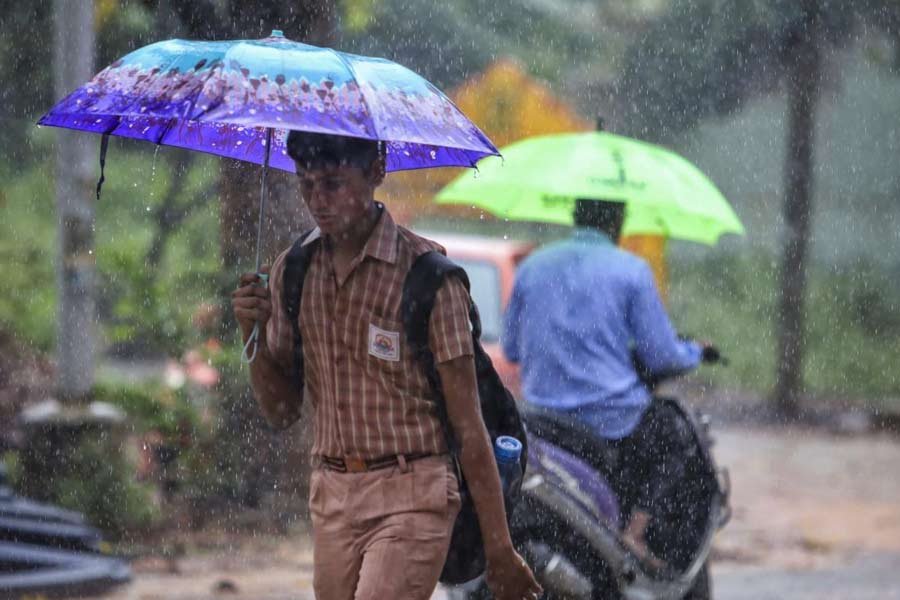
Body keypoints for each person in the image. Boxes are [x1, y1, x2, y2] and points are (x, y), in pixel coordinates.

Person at [231, 130, 541, 600]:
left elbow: (470, 427)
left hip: (415, 492)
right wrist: (249, 329)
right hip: (332, 495)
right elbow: (281, 411)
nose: (318, 201)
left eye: (333, 183)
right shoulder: (292, 272)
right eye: (306, 184)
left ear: (377, 171)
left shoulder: (430, 280)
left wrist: (500, 549)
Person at [502, 198, 712, 567]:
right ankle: (635, 532)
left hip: (540, 421)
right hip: (613, 421)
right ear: (618, 224)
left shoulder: (533, 266)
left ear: (574, 217)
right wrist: (696, 351)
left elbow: (511, 349)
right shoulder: (632, 271)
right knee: (675, 437)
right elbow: (661, 355)